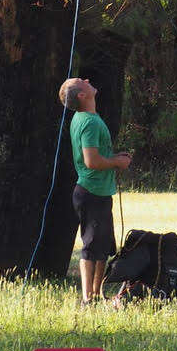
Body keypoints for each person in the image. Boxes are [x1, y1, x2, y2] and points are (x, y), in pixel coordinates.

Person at [59, 76, 132, 304]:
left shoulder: (85, 117)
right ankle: (87, 300)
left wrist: (114, 157)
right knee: (91, 247)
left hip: (99, 191)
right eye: (82, 81)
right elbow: (91, 161)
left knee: (103, 246)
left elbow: (96, 155)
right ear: (82, 95)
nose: (87, 79)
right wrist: (117, 162)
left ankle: (98, 295)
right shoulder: (89, 122)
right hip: (91, 192)